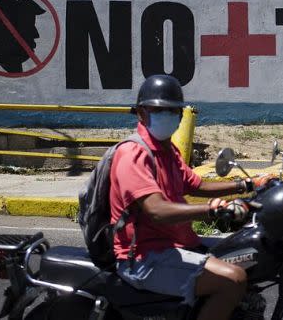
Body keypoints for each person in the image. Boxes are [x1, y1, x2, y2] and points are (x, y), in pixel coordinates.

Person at [109, 74, 272, 320]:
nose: (168, 116)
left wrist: (248, 184)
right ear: (141, 113)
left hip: (175, 243)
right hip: (144, 257)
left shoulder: (166, 149)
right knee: (233, 279)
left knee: (249, 251)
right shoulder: (134, 154)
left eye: (173, 111)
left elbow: (196, 185)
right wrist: (211, 210)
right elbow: (156, 210)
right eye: (158, 110)